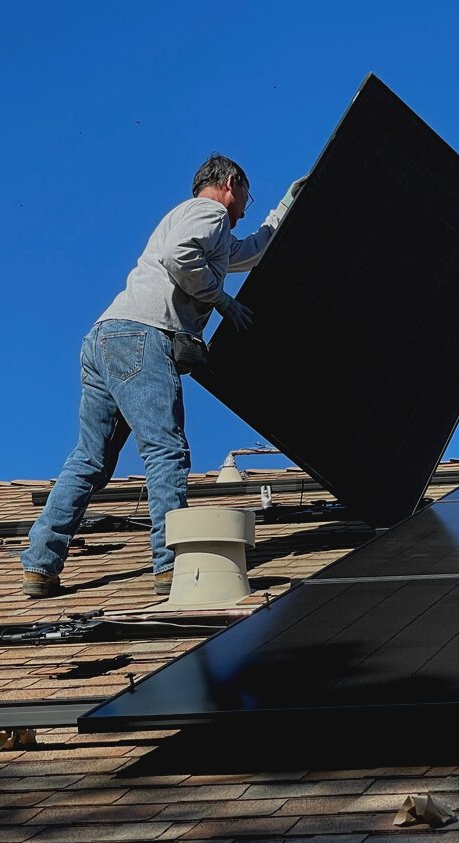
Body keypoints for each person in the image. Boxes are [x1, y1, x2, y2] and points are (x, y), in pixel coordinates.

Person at [21, 154, 305, 598]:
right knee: (165, 449)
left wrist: (286, 205)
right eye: (249, 194)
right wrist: (223, 302)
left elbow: (247, 253)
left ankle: (40, 563)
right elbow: (180, 257)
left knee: (89, 461)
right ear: (231, 183)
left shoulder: (196, 222)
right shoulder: (208, 212)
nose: (248, 204)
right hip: (143, 336)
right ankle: (171, 566)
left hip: (104, 338)